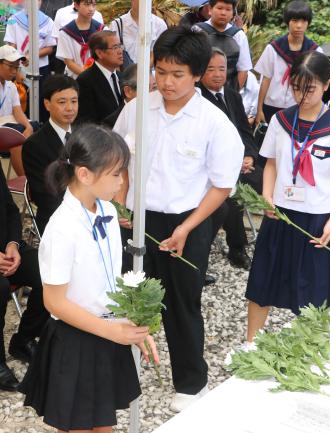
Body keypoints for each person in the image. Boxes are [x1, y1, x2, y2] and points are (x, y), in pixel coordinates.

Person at [114, 26, 243, 412]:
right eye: (160, 71)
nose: (166, 82)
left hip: (188, 221)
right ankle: (121, 373)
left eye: (177, 74)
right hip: (136, 218)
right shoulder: (137, 109)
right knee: (128, 295)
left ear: (198, 74)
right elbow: (118, 159)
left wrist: (187, 228)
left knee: (182, 302)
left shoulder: (213, 122)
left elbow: (221, 187)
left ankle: (191, 384)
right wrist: (121, 203)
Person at [19, 124, 159, 432]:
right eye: (115, 173)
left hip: (107, 331)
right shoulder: (62, 227)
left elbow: (109, 279)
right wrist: (112, 332)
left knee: (103, 425)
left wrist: (131, 324)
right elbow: (54, 300)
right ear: (84, 174)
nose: (122, 181)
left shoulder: (106, 211)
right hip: (76, 338)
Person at [245, 51, 330, 342]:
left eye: (309, 88)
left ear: (326, 85)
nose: (301, 94)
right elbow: (270, 162)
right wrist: (266, 197)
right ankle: (249, 344)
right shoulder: (281, 121)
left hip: (318, 219)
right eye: (296, 86)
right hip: (280, 214)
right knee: (263, 282)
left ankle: (313, 348)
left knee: (316, 290)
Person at [198, 48, 261, 269]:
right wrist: (233, 161)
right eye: (211, 69)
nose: (217, 74)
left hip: (241, 161)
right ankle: (237, 248)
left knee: (270, 185)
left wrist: (250, 156)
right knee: (233, 197)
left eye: (222, 69)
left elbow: (245, 131)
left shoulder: (232, 94)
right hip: (215, 166)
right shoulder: (197, 98)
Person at [0, 168, 49, 391]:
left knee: (49, 269)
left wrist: (12, 244)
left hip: (7, 250)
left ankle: (24, 339)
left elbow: (10, 210)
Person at [22, 75, 79, 235]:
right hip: (56, 222)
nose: (70, 108)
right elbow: (45, 196)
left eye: (74, 101)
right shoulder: (35, 145)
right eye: (62, 102)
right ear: (47, 104)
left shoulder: (84, 135)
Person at [254, 0, 322, 126]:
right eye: (295, 21)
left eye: (303, 21)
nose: (299, 26)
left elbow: (318, 84)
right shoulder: (273, 49)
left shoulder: (315, 52)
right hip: (271, 106)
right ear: (287, 22)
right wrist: (259, 110)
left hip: (300, 107)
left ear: (308, 23)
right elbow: (265, 80)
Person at [4, 0, 56, 121]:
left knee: (42, 102)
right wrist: (17, 67)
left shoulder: (48, 21)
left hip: (41, 68)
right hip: (18, 67)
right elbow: (11, 45)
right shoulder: (13, 19)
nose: (33, 2)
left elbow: (50, 48)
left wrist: (32, 55)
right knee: (20, 101)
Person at [194, 0, 252, 90]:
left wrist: (233, 95)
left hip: (228, 91)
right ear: (210, 9)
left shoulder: (238, 35)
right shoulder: (197, 30)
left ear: (233, 13)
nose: (223, 13)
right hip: (198, 90)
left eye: (228, 9)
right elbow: (188, 62)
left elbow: (243, 69)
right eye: (220, 8)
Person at [0, 45, 38, 177]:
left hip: (9, 124)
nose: (14, 71)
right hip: (4, 128)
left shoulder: (11, 86)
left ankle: (38, 176)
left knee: (39, 129)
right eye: (10, 66)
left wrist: (28, 127)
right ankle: (26, 183)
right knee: (16, 140)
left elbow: (17, 111)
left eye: (17, 67)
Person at [76, 30, 124, 124]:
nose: (120, 51)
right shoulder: (85, 81)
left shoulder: (122, 76)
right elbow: (87, 122)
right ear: (99, 53)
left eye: (120, 46)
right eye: (115, 47)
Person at [56, 0, 104, 78]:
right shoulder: (66, 33)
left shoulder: (102, 30)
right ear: (76, 5)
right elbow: (69, 62)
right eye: (87, 4)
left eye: (94, 5)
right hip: (75, 78)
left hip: (98, 77)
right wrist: (89, 76)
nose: (91, 9)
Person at [109, 0, 167, 65]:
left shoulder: (159, 25)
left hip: (149, 73)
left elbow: (158, 54)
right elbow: (111, 54)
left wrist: (140, 72)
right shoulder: (117, 25)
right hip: (124, 73)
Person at [104, 63, 137, 128]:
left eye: (155, 88)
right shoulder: (111, 123)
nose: (154, 93)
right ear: (128, 91)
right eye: (148, 89)